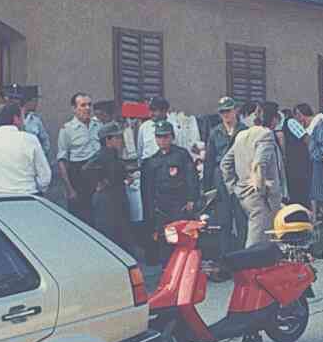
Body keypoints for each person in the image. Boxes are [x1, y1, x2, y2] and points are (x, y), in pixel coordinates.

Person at [221, 102, 286, 247]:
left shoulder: (242, 135)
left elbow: (225, 163)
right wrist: (261, 189)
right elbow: (259, 164)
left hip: (245, 193)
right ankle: (248, 266)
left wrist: (234, 187)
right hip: (261, 195)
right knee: (256, 239)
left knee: (265, 235)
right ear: (273, 118)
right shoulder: (266, 134)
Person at [141, 120, 200, 262]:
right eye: (159, 137)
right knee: (165, 242)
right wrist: (150, 212)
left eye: (166, 136)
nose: (162, 140)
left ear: (172, 137)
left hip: (180, 205)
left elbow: (192, 177)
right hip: (161, 209)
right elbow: (148, 190)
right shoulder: (151, 161)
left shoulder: (181, 155)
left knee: (183, 241)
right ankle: (167, 272)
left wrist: (192, 199)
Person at [204, 96, 248, 255]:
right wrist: (208, 187)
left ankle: (245, 257)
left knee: (242, 219)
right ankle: (225, 258)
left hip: (239, 176)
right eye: (222, 112)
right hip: (220, 177)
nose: (226, 115)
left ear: (235, 110)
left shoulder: (244, 130)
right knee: (224, 220)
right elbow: (209, 160)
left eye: (228, 111)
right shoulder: (215, 132)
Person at [0, 102, 51, 194]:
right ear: (16, 118)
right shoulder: (29, 140)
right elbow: (45, 176)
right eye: (22, 117)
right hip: (26, 195)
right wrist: (37, 189)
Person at [56, 92, 103, 225]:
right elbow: (62, 161)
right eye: (83, 105)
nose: (87, 108)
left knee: (100, 219)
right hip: (79, 177)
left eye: (89, 105)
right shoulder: (67, 130)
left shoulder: (98, 126)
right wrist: (69, 189)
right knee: (81, 221)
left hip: (98, 177)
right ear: (74, 109)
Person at [96, 120, 133, 253]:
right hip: (107, 201)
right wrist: (102, 182)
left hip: (118, 198)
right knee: (111, 235)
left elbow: (119, 172)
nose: (120, 141)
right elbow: (86, 170)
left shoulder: (114, 156)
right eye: (117, 138)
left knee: (122, 233)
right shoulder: (102, 156)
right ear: (108, 140)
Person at [284, 103, 315, 204]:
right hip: (297, 163)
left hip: (300, 164)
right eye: (296, 114)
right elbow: (307, 140)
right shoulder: (291, 122)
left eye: (300, 114)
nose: (298, 117)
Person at [137, 97, 170, 163]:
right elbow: (140, 150)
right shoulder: (144, 127)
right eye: (150, 110)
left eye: (154, 110)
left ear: (164, 111)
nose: (151, 113)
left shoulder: (174, 126)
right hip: (148, 166)